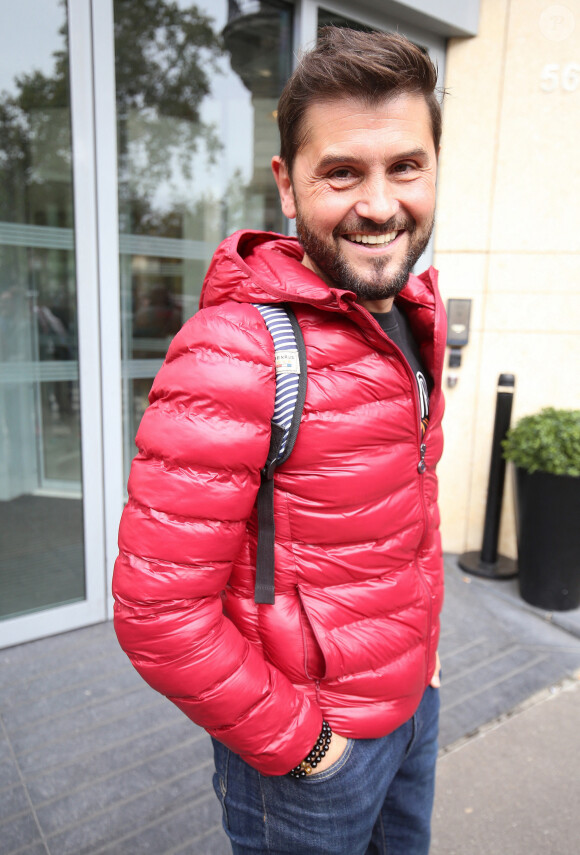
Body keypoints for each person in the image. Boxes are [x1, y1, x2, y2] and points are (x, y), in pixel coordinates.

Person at [113, 27, 446, 855]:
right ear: (287, 187)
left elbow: (406, 513)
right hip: (310, 756)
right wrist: (308, 749)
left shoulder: (410, 318)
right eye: (342, 172)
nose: (379, 203)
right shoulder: (233, 353)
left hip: (414, 711)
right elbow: (158, 614)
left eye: (405, 165)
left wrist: (426, 664)